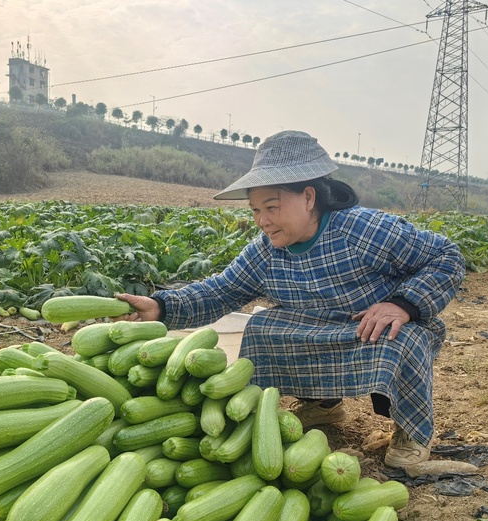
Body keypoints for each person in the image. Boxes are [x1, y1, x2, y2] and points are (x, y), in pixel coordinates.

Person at [116, 130, 465, 468]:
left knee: (401, 337)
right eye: (255, 210)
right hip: (318, 330)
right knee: (263, 327)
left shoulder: (362, 229)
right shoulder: (265, 252)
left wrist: (403, 305)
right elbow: (221, 290)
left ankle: (410, 432)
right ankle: (323, 404)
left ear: (309, 197)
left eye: (271, 207)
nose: (262, 221)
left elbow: (446, 257)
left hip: (370, 329)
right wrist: (162, 306)